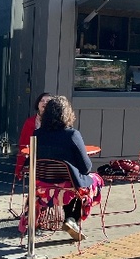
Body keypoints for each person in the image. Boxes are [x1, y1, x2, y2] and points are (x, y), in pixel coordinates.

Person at [32, 95, 102, 241]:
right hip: (67, 185)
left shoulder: (37, 134)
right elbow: (86, 167)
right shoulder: (72, 135)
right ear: (67, 113)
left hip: (42, 185)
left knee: (71, 182)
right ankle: (72, 219)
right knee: (91, 180)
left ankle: (68, 220)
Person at [15, 92, 52, 179]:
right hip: (32, 157)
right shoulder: (29, 122)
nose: (44, 103)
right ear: (38, 104)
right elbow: (23, 142)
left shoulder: (55, 122)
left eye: (48, 101)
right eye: (42, 101)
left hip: (50, 159)